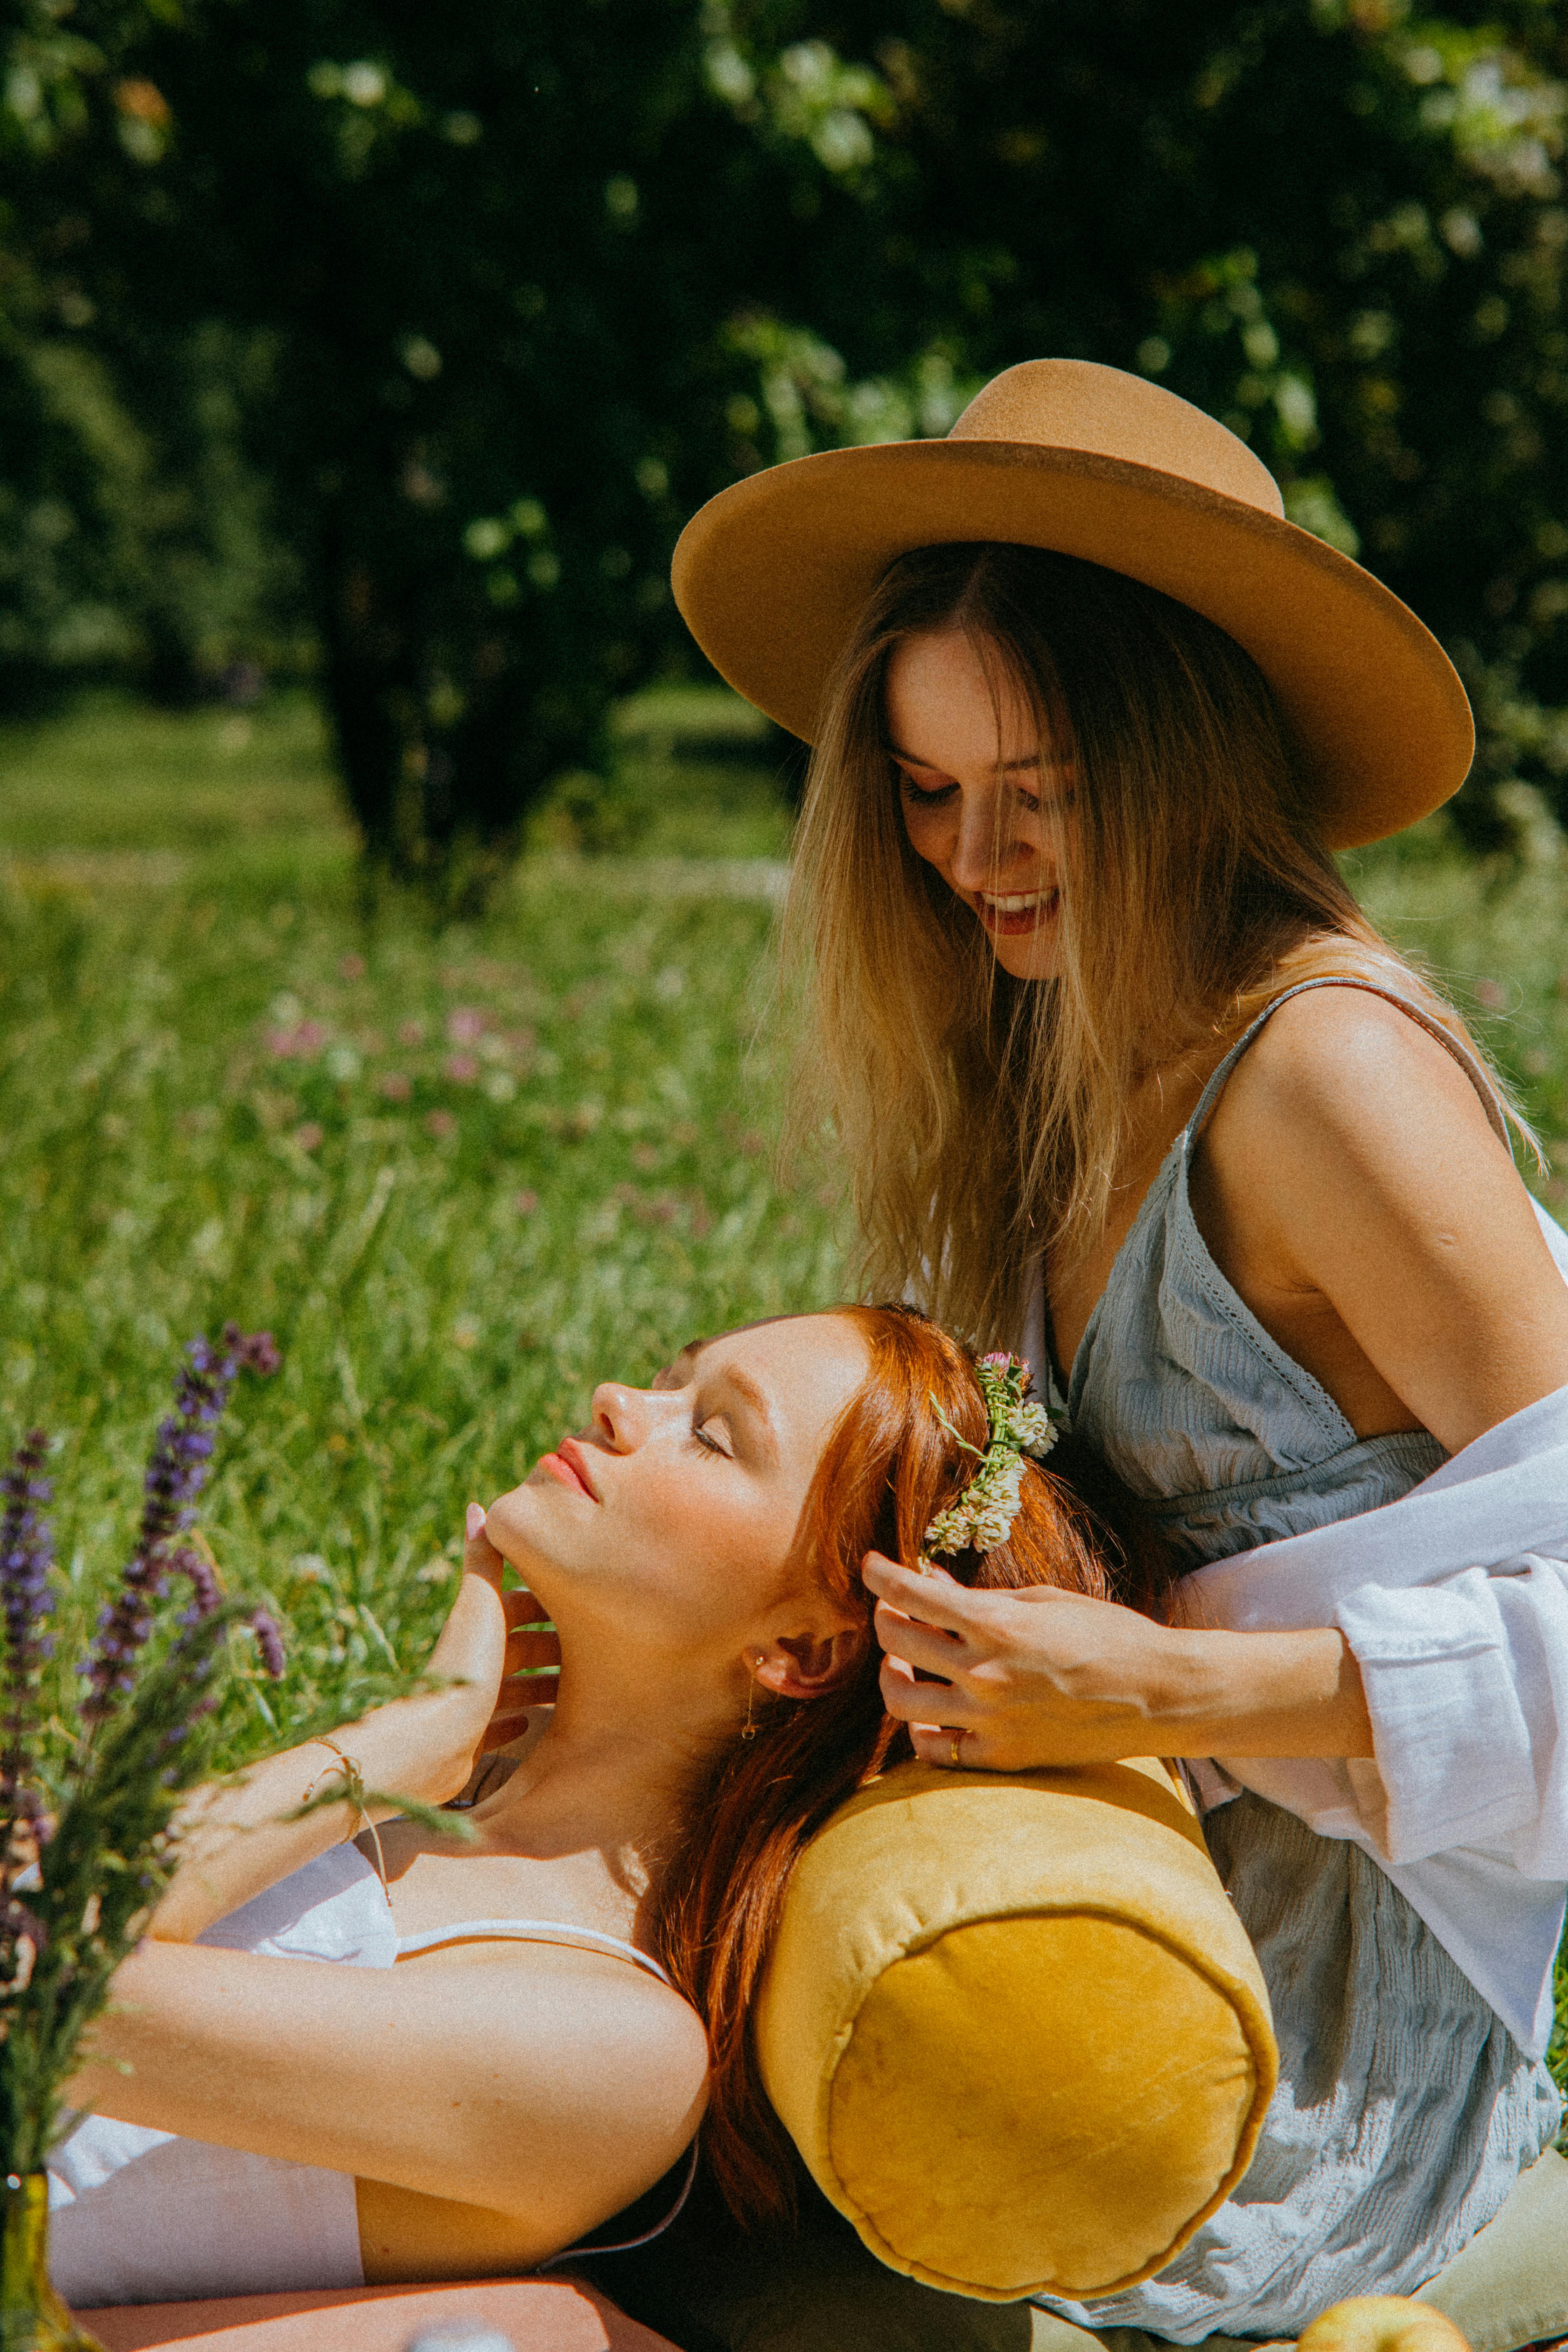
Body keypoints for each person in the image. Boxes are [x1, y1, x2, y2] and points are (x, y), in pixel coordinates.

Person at [640, 357, 1568, 2352]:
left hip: (1314, 2060)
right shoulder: (1049, 1068)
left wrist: (1166, 1685)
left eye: (1041, 793)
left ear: (1181, 762)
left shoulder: (1320, 1071)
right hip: (1067, 1910)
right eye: (924, 790)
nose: (972, 861)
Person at [50, 1304, 1113, 2329]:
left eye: (711, 1435)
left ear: (802, 1650)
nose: (617, 1402)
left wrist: (402, 1739)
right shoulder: (438, 1801)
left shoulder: (618, 2054)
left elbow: (36, 1976)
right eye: (667, 1382)